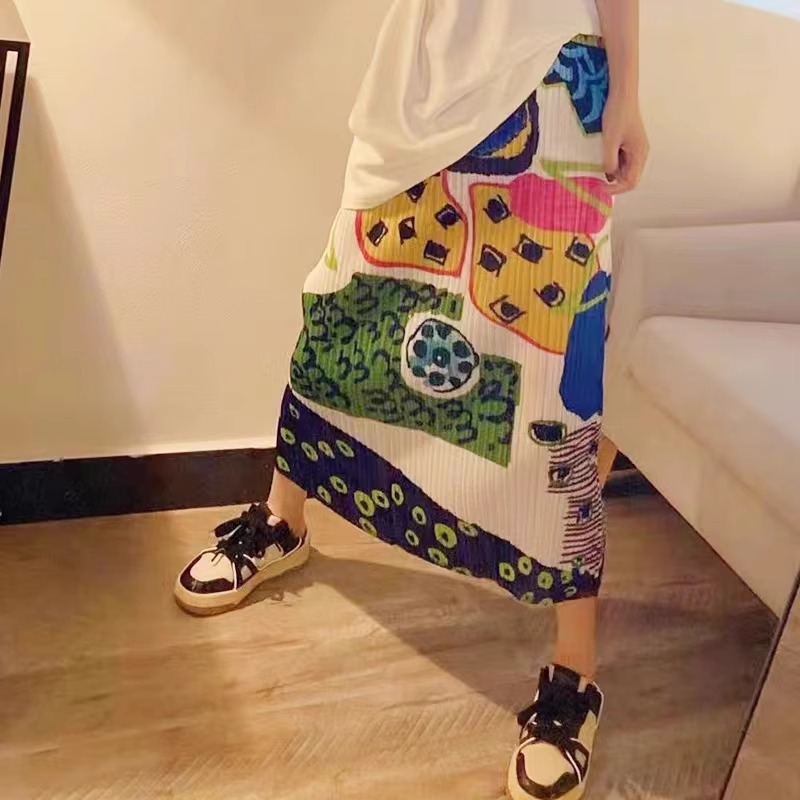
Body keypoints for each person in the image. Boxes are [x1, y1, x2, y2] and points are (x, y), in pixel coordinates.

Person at [175, 1, 648, 797]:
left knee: (549, 378)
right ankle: (285, 521)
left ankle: (575, 672)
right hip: (424, 68)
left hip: (555, 69)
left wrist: (627, 94)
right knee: (342, 307)